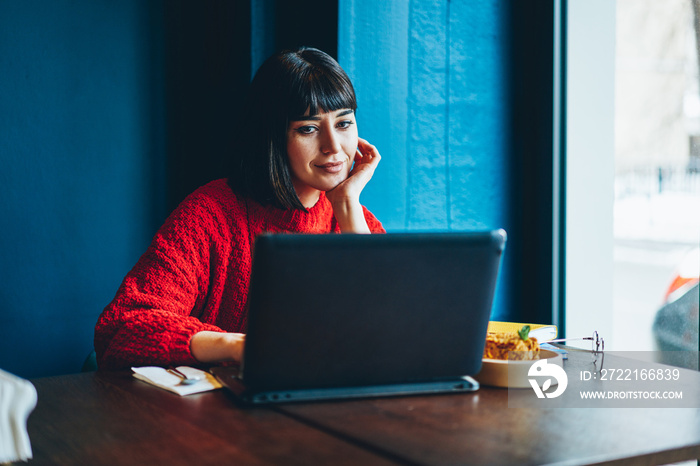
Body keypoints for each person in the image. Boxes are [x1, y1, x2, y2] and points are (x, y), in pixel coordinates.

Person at [94, 47, 384, 370]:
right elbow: (121, 327)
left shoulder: (357, 220)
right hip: (211, 413)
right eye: (308, 129)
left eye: (344, 124)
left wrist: (347, 205)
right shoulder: (211, 214)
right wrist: (235, 345)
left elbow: (390, 334)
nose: (333, 146)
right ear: (273, 136)